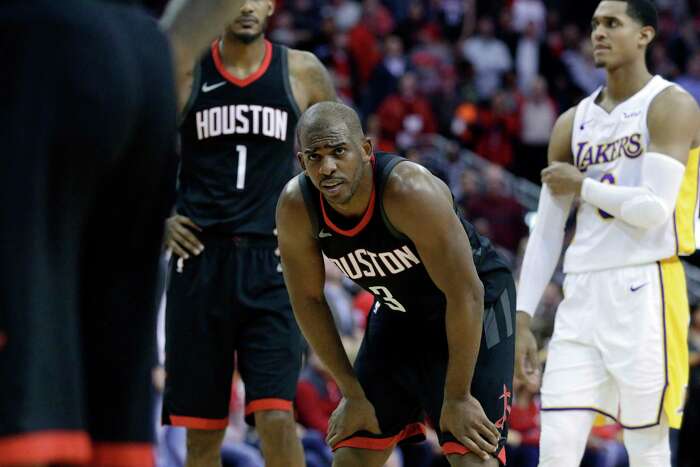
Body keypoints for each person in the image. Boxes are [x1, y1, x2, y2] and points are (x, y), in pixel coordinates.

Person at [0, 0, 250, 465]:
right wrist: (168, 52)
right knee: (104, 435)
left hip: (30, 48)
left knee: (23, 425)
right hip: (141, 55)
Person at [276, 101, 515, 466]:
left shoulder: (410, 191)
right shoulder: (297, 206)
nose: (327, 167)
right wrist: (351, 391)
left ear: (366, 149)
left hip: (475, 309)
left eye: (338, 151)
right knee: (352, 454)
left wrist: (457, 397)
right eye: (315, 157)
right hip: (399, 315)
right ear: (301, 160)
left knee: (472, 455)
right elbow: (308, 300)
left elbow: (465, 293)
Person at [515, 1, 700, 466]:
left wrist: (584, 185)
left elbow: (654, 211)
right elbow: (546, 233)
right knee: (554, 448)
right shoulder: (570, 123)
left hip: (647, 288)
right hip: (580, 293)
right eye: (595, 23)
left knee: (646, 446)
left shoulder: (671, 105)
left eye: (612, 23)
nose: (598, 32)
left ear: (645, 35)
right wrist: (520, 316)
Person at [160, 1, 337, 466]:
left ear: (271, 4)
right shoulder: (188, 69)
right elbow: (135, 141)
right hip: (200, 261)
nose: (244, 6)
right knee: (201, 434)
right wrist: (159, 215)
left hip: (273, 264)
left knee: (277, 416)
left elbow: (340, 153)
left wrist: (328, 229)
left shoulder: (302, 71)